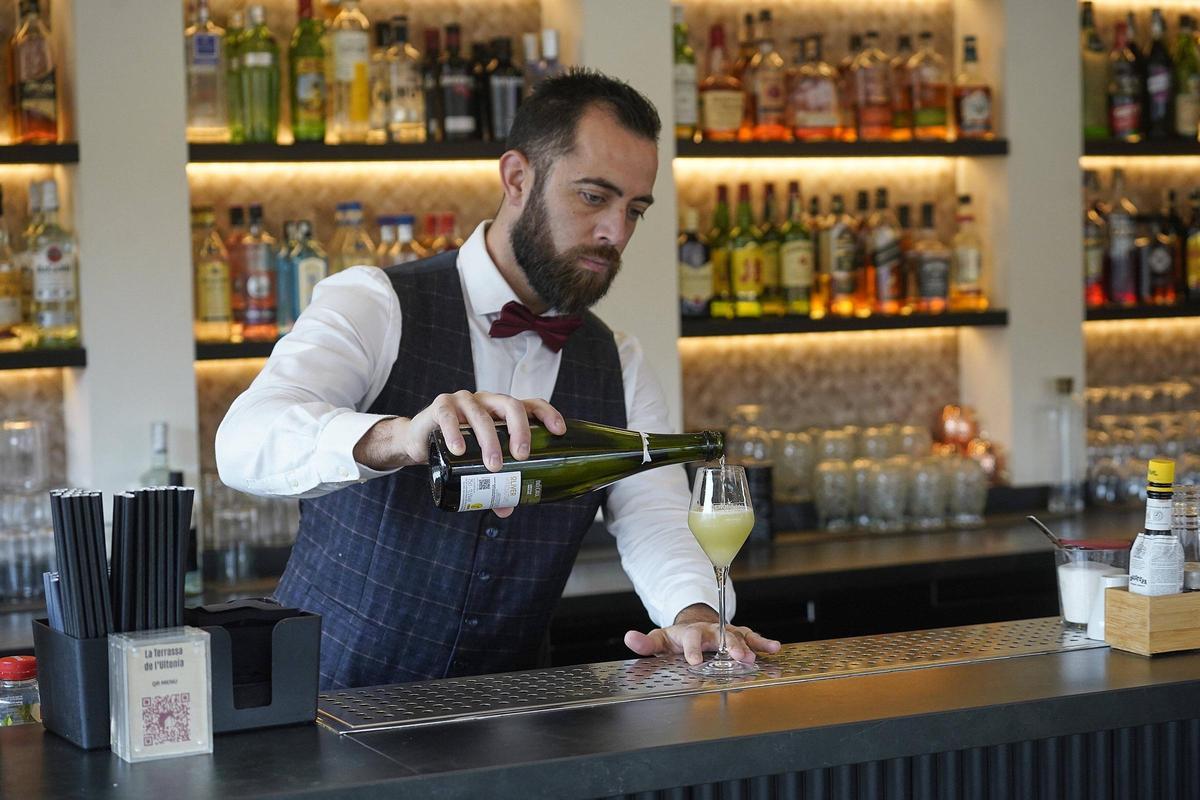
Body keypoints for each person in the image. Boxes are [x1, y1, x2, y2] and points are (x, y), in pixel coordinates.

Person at [216, 69, 779, 690]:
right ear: (516, 178)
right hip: (325, 704)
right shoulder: (374, 303)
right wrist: (400, 438)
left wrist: (693, 614)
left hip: (507, 715)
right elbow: (243, 441)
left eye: (634, 210)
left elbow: (655, 514)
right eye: (594, 197)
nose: (615, 233)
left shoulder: (617, 359)